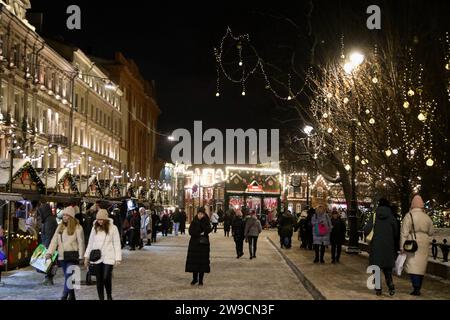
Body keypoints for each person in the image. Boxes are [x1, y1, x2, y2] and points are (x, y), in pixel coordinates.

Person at [45, 206, 85, 300]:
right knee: (69, 278)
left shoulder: (78, 228)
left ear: (71, 217)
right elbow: (54, 241)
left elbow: (81, 242)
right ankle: (72, 297)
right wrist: (49, 253)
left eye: (67, 215)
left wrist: (81, 256)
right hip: (62, 257)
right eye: (64, 215)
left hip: (72, 256)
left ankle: (63, 296)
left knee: (68, 276)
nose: (64, 217)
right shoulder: (60, 227)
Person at [84, 209, 122, 300]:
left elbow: (117, 243)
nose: (100, 221)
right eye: (98, 219)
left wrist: (118, 258)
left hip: (109, 256)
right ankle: (101, 298)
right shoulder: (94, 228)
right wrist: (86, 256)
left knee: (105, 277)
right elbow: (90, 242)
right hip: (97, 257)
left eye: (101, 219)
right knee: (99, 280)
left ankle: (109, 296)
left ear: (106, 219)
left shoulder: (113, 228)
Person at [400, 194, 434, 296]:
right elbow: (431, 232)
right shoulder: (427, 217)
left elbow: (404, 233)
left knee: (413, 266)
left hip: (412, 243)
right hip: (424, 243)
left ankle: (416, 287)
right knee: (421, 267)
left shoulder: (409, 216)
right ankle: (418, 286)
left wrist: (402, 247)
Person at [364, 198, 397, 296]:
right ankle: (390, 284)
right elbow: (395, 232)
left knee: (376, 267)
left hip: (376, 246)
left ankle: (378, 288)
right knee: (387, 268)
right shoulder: (391, 216)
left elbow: (367, 229)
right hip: (388, 246)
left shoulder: (374, 215)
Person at [185, 207, 211, 286]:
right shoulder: (194, 221)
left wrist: (203, 231)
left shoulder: (206, 221)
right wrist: (199, 233)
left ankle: (201, 280)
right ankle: (194, 278)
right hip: (194, 245)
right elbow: (190, 231)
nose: (200, 215)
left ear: (204, 214)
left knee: (202, 263)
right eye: (199, 213)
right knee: (194, 263)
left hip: (203, 245)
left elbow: (208, 229)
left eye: (201, 214)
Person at [38, 203, 58, 285]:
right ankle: (48, 278)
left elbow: (49, 235)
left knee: (49, 263)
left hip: (49, 246)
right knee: (49, 263)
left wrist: (46, 248)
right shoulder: (48, 220)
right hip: (48, 245)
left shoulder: (49, 221)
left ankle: (49, 279)